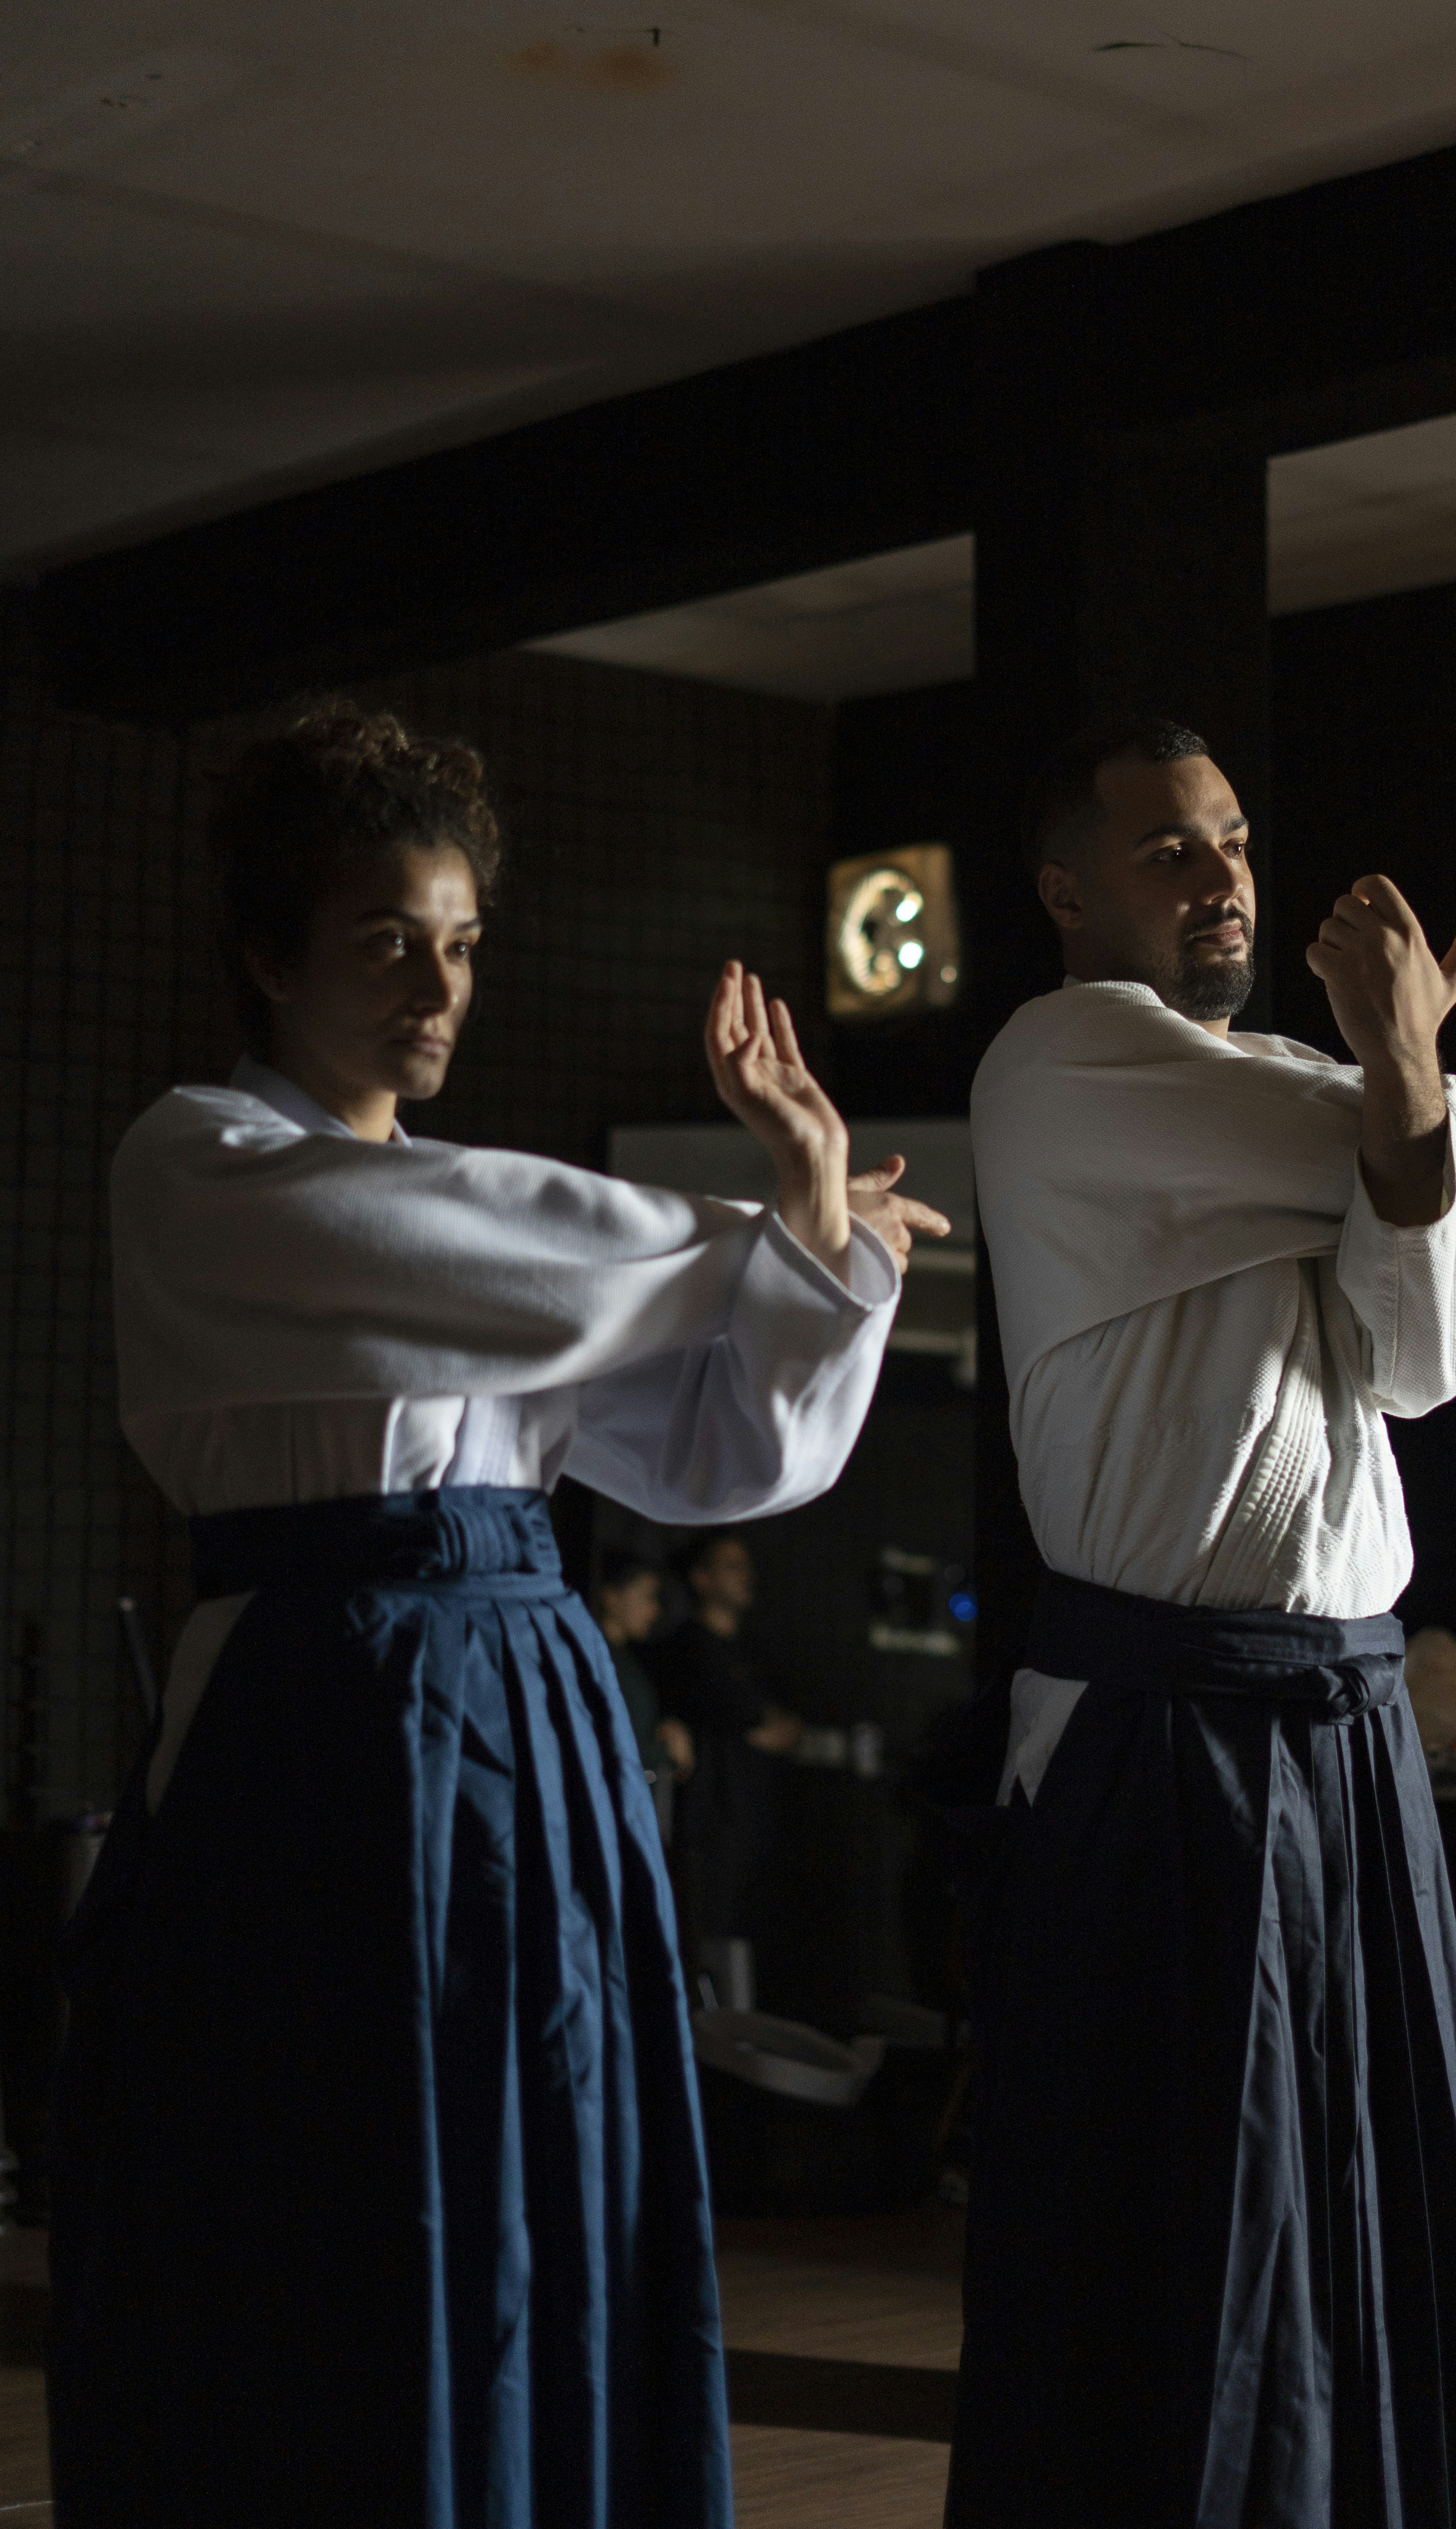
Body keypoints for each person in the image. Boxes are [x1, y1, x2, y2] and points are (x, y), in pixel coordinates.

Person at [48, 700, 948, 2529]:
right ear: (264, 950)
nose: (436, 987)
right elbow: (430, 1245)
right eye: (386, 940)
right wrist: (758, 1222)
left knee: (546, 2186)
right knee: (342, 2193)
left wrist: (817, 1261)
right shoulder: (202, 1162)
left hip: (532, 1725)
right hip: (320, 1720)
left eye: (460, 943)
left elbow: (724, 1455)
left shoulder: (537, 1275)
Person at [956, 718, 1456, 2529]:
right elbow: (1428, 1158)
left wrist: (1408, 1078)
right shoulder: (1065, 1063)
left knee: (1360, 2214)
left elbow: (1432, 1358)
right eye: (1165, 852)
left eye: (1231, 841)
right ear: (1067, 892)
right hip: (1166, 1732)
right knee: (1189, 2231)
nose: (1219, 876)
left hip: (1342, 1723)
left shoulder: (1318, 1089)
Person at [649, 1532, 802, 1964]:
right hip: (708, 1821)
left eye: (745, 1566)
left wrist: (754, 1725)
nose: (746, 1577)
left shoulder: (755, 1651)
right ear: (702, 1578)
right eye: (731, 1566)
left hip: (757, 1819)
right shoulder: (687, 1648)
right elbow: (734, 1714)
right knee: (706, 1937)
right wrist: (749, 1725)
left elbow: (786, 1723)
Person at [595, 1550, 695, 1785]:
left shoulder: (625, 1660)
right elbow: (602, 1745)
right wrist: (665, 1752)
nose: (654, 1611)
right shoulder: (596, 1661)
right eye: (646, 1597)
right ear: (612, 1597)